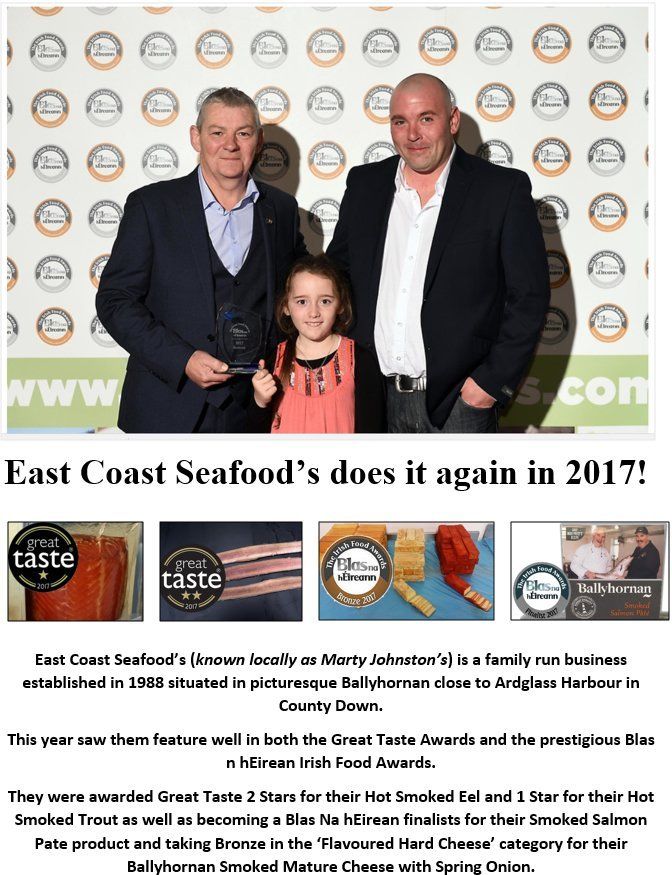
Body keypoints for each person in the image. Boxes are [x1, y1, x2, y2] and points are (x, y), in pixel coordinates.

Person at [327, 73, 549, 433]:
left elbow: (530, 297)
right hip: (370, 399)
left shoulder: (500, 191)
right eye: (400, 122)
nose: (413, 134)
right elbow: (337, 279)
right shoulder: (365, 184)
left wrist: (488, 387)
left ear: (453, 121)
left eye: (426, 119)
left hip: (457, 406)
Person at [96, 87, 306, 433]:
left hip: (252, 412)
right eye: (217, 132)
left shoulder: (280, 210)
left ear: (259, 139)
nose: (231, 144)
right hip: (165, 409)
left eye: (243, 132)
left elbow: (298, 290)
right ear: (196, 137)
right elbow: (115, 301)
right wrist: (183, 360)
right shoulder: (152, 207)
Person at [249, 255, 385, 433]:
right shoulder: (273, 361)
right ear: (286, 307)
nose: (314, 312)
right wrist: (259, 401)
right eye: (302, 302)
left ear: (341, 305)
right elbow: (252, 435)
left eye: (325, 301)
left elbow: (374, 434)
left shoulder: (360, 361)